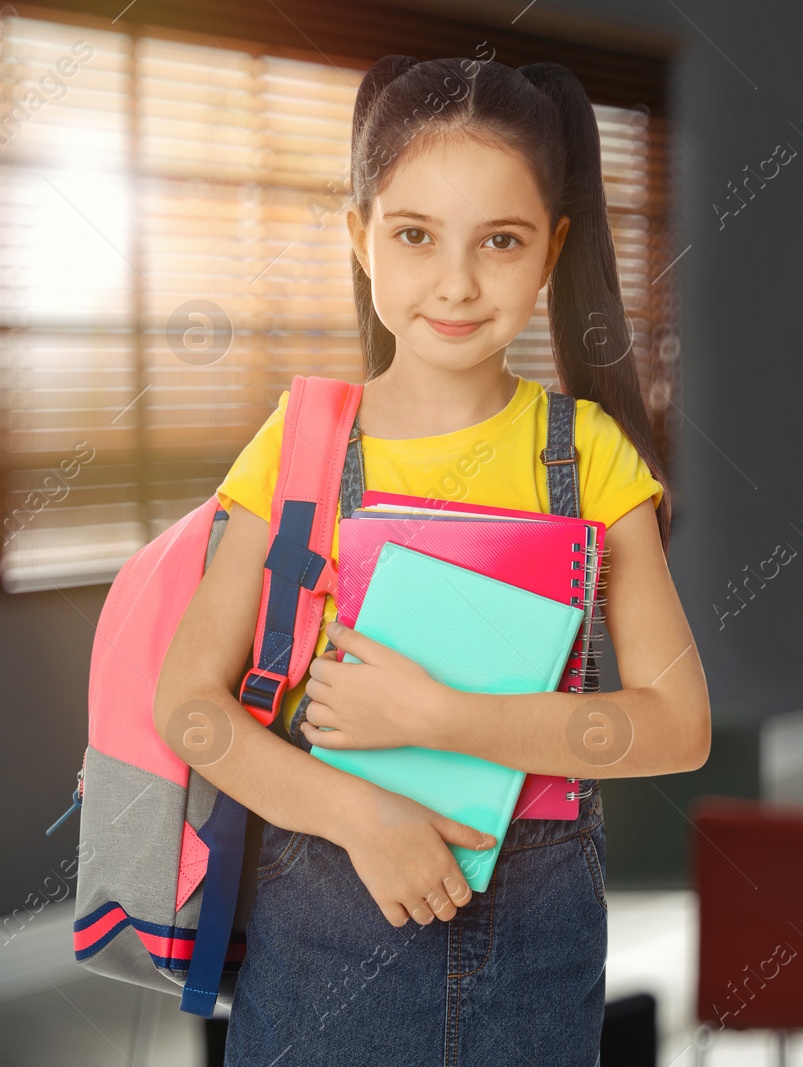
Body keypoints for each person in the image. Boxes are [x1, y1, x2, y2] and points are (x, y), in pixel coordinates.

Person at [153, 54, 710, 1066]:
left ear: (552, 250)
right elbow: (190, 704)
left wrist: (440, 717)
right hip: (322, 956)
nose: (455, 281)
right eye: (414, 234)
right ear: (362, 235)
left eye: (500, 240)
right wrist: (363, 814)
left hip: (536, 966)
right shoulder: (302, 442)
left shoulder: (587, 456)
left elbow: (677, 724)